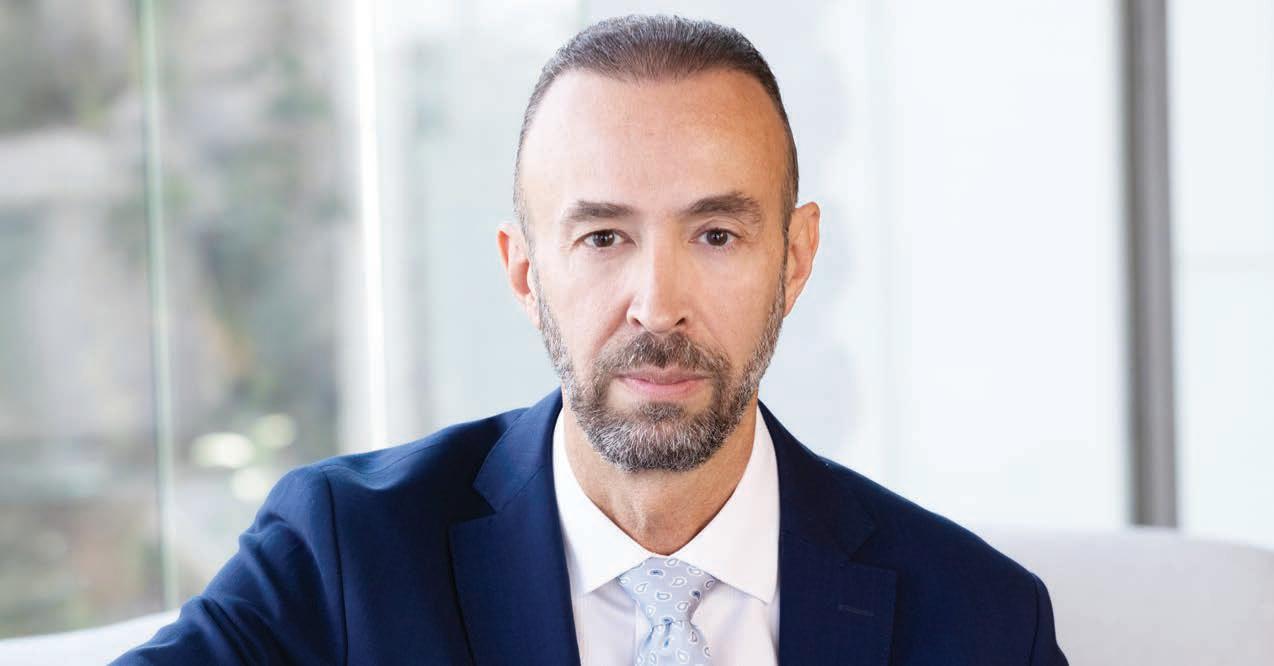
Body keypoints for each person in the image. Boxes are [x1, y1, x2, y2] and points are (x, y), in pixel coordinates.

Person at [117, 14, 1067, 665]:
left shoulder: (982, 619)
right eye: (604, 237)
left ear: (796, 257)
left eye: (716, 235)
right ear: (524, 272)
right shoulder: (346, 555)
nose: (658, 305)